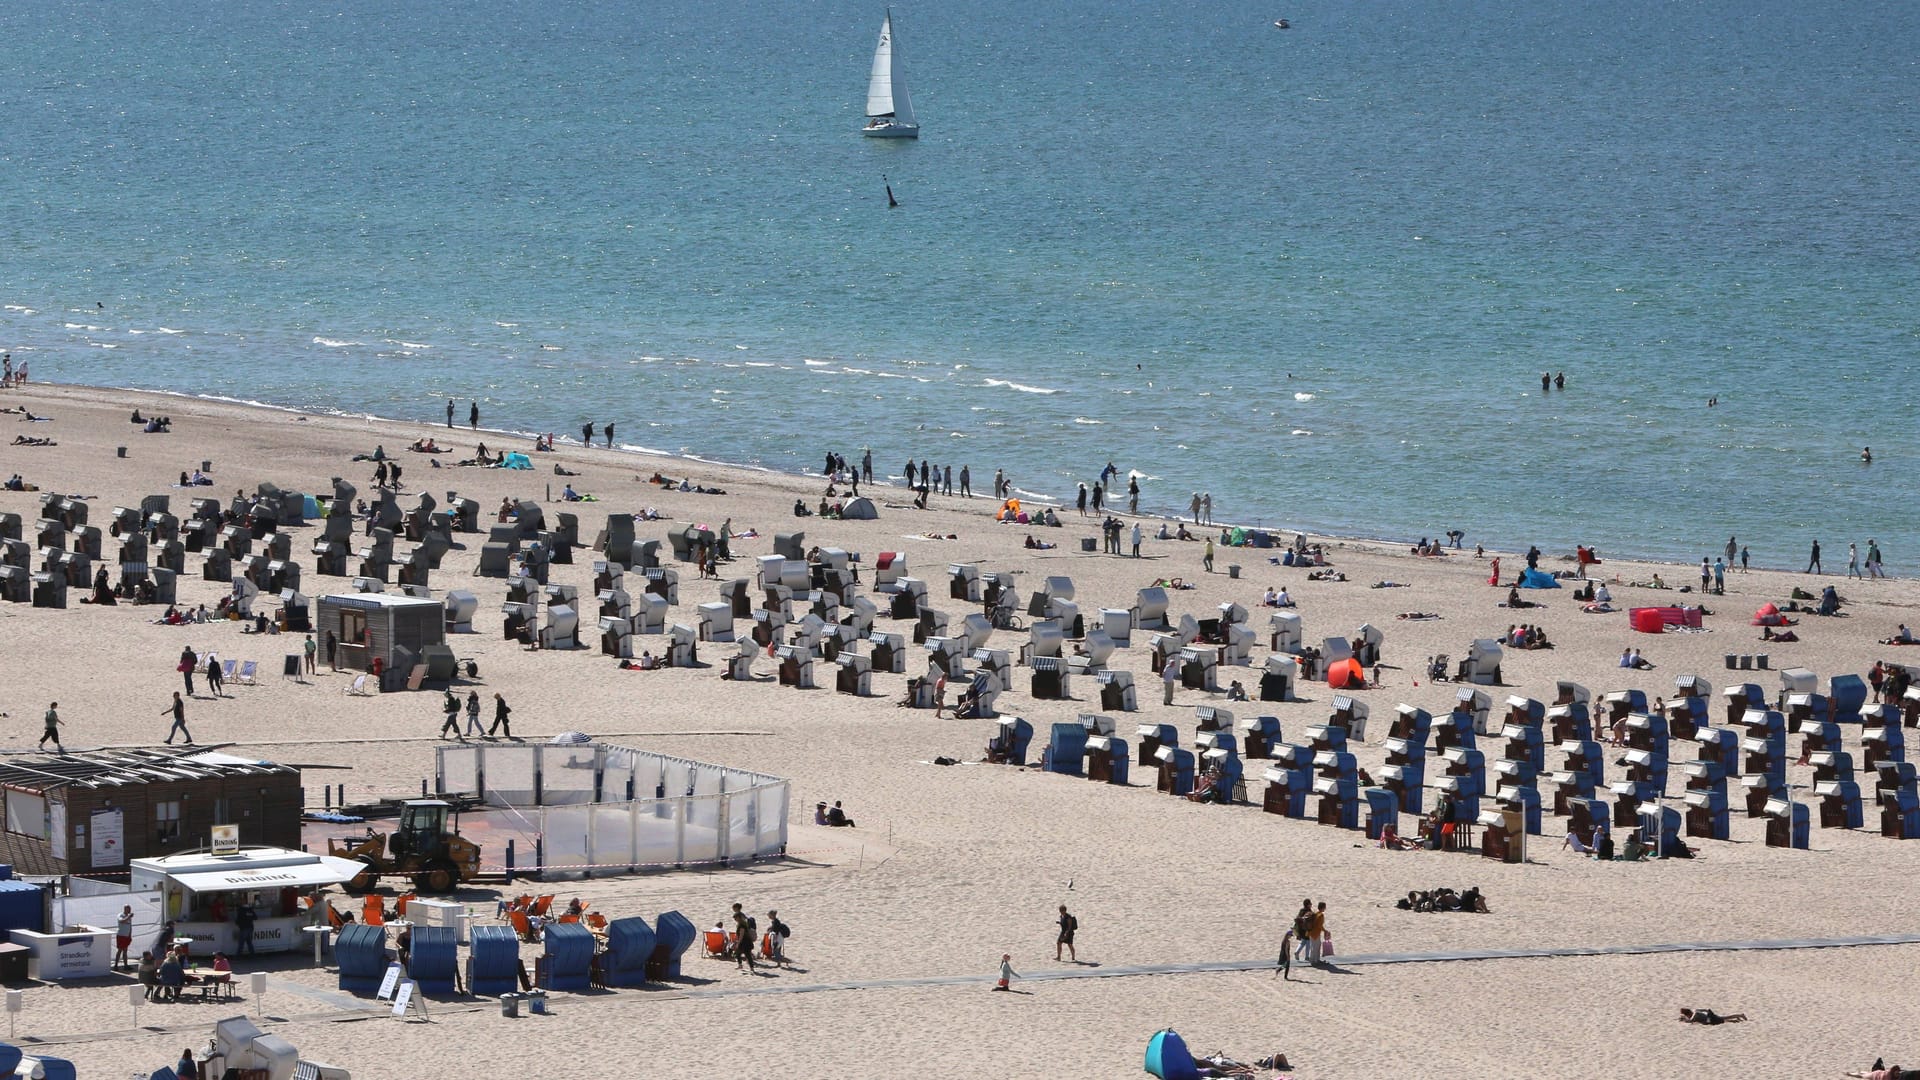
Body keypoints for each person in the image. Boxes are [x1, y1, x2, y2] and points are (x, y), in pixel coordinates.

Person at [115, 906, 135, 970]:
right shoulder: (120, 915)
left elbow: (130, 926)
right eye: (128, 909)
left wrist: (130, 935)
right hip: (121, 935)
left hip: (127, 936)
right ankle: (116, 965)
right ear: (125, 909)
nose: (129, 910)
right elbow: (121, 921)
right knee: (120, 950)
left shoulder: (129, 916)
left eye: (130, 909)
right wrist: (129, 916)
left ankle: (125, 965)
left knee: (125, 951)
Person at [1677, 1007, 1747, 1025]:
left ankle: (1740, 1017)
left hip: (1710, 1019)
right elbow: (1705, 1009)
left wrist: (1684, 1020)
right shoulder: (1695, 1011)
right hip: (1710, 1018)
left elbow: (1691, 1020)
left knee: (1725, 1019)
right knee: (1725, 1019)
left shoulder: (1695, 1014)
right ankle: (1738, 1018)